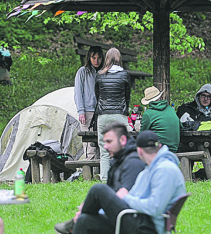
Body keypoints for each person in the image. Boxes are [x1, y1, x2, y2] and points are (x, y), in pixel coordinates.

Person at [60, 131, 186, 234]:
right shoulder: (150, 168)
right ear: (158, 147)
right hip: (136, 220)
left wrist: (126, 197)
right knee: (85, 221)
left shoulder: (165, 170)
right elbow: (134, 201)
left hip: (147, 229)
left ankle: (72, 224)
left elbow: (154, 207)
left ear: (139, 150)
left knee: (99, 190)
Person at [54, 121, 146, 234]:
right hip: (118, 215)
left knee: (98, 189)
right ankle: (77, 225)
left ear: (122, 140)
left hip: (132, 221)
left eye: (109, 141)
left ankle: (75, 222)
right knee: (83, 222)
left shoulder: (134, 162)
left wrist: (100, 209)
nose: (105, 146)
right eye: (104, 142)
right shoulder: (118, 160)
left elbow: (126, 197)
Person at [94, 47, 131, 181]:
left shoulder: (99, 75)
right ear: (119, 59)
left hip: (103, 115)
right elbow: (127, 96)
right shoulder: (125, 75)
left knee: (104, 149)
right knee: (122, 147)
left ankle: (105, 179)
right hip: (119, 115)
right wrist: (124, 110)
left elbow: (97, 96)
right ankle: (121, 178)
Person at [74, 46, 103, 160]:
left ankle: (100, 173)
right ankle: (88, 174)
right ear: (89, 58)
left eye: (99, 58)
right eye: (94, 57)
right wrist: (81, 111)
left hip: (101, 112)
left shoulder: (103, 72)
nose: (96, 61)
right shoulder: (83, 72)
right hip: (87, 111)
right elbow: (78, 93)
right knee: (89, 145)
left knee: (101, 142)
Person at [139, 86, 180, 152]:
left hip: (158, 149)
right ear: (160, 97)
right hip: (174, 149)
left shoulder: (148, 113)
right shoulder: (170, 109)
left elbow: (142, 135)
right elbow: (180, 126)